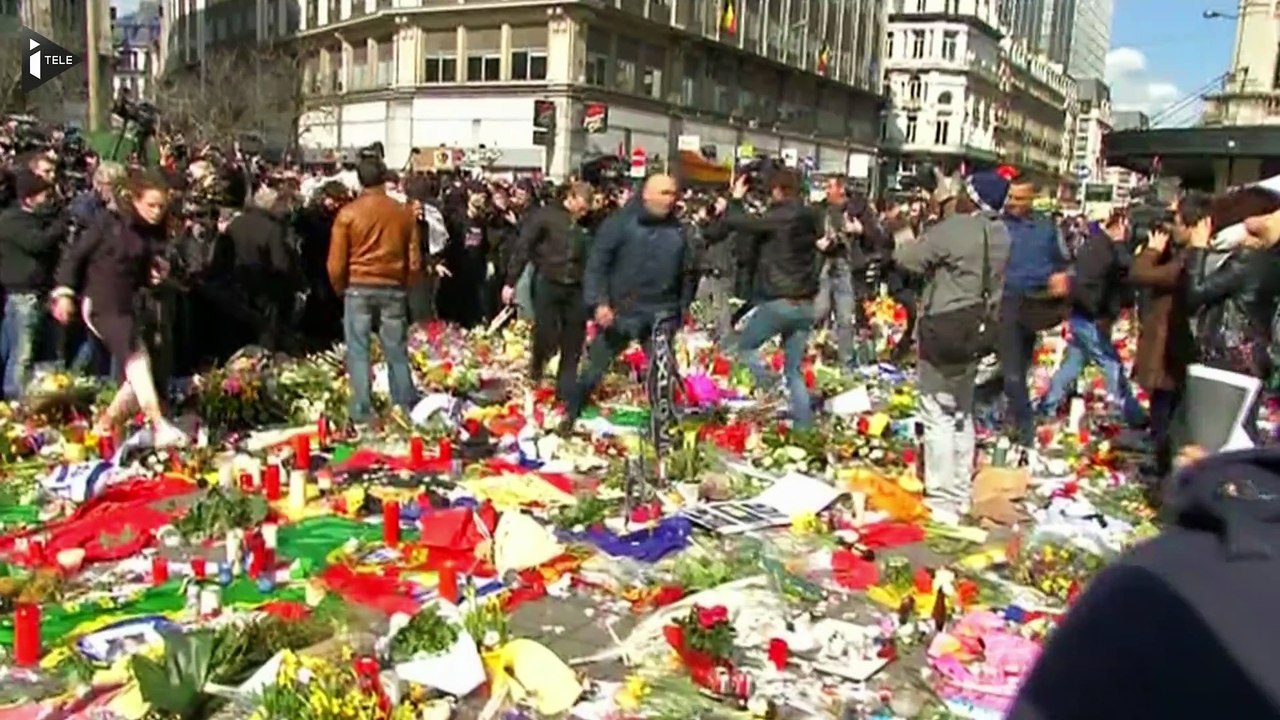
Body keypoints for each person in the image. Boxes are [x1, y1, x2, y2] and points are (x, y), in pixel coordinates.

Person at [896, 171, 1012, 519]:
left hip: (944, 326)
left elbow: (908, 258)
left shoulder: (958, 228)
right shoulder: (1000, 233)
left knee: (937, 414)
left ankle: (942, 500)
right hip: (978, 329)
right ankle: (960, 493)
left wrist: (903, 230)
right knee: (963, 412)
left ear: (971, 197)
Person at [50, 172, 188, 445]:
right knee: (138, 359)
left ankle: (105, 424)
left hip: (127, 304)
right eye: (151, 205)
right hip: (101, 302)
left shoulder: (152, 233)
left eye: (161, 207)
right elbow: (74, 257)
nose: (157, 212)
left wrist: (156, 272)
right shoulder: (107, 223)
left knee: (138, 373)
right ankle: (158, 423)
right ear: (135, 200)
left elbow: (146, 269)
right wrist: (64, 293)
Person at [567, 173, 699, 429]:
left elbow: (688, 272)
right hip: (621, 311)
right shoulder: (619, 224)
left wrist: (682, 309)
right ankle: (570, 414)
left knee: (662, 375)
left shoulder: (679, 230)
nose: (671, 199)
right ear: (647, 194)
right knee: (594, 367)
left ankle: (662, 429)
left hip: (661, 312)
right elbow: (597, 265)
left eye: (673, 193)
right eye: (665, 193)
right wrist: (599, 302)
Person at [720, 168, 821, 427]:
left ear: (777, 190)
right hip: (806, 304)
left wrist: (736, 198)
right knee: (794, 370)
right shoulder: (811, 216)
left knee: (745, 348)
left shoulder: (779, 216)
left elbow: (736, 221)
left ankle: (773, 384)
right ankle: (804, 427)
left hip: (780, 301)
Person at [327, 159, 421, 425]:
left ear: (359, 180)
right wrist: (405, 283)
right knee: (397, 349)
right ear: (383, 178)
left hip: (358, 287)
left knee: (358, 350)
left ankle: (362, 409)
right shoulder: (403, 213)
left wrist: (340, 288)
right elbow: (414, 260)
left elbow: (336, 262)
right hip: (393, 287)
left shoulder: (348, 214)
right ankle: (403, 405)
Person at [1037, 210, 1146, 427]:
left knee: (1074, 363)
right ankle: (1128, 412)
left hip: (1086, 315)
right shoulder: (1100, 249)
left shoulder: (1100, 246)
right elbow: (1092, 283)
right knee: (1111, 364)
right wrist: (1098, 315)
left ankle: (1047, 405)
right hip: (1089, 317)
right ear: (1121, 224)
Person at [501, 181, 595, 402]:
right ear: (570, 198)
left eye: (586, 211)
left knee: (573, 340)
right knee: (546, 332)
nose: (582, 214)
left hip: (576, 287)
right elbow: (524, 247)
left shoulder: (588, 224)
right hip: (549, 281)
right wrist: (510, 282)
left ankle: (565, 391)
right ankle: (537, 367)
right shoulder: (546, 216)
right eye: (580, 209)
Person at [999, 178, 1071, 450]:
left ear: (1031, 199)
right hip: (1005, 301)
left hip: (1036, 303)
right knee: (1012, 372)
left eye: (1019, 199)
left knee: (1020, 367)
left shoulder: (1046, 227)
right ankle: (1025, 428)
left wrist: (1061, 276)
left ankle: (1010, 414)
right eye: (1010, 199)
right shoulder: (997, 225)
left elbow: (1061, 261)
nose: (1013, 205)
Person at [0, 170, 67, 399]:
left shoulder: (35, 219)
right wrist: (61, 225)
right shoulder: (12, 221)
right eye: (43, 195)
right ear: (29, 198)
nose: (47, 199)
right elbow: (37, 243)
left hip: (37, 294)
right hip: (21, 296)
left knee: (36, 352)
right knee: (21, 355)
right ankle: (15, 400)